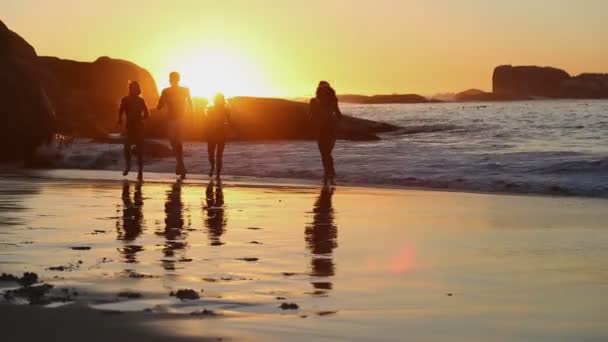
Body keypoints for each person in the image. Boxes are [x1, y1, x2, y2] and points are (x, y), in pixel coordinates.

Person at [157, 72, 193, 179]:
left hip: (180, 119)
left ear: (177, 79)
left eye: (174, 78)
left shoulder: (184, 90)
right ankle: (180, 164)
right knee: (174, 142)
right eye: (172, 78)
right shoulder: (166, 91)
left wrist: (192, 117)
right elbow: (160, 106)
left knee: (178, 142)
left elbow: (190, 103)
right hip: (171, 119)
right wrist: (163, 101)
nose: (173, 80)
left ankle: (180, 165)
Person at [309, 81, 342, 185]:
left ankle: (330, 173)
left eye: (326, 89)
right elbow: (312, 115)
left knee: (326, 152)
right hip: (321, 129)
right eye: (322, 89)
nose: (324, 91)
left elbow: (338, 113)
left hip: (330, 128)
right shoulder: (313, 101)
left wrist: (337, 123)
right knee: (324, 153)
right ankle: (329, 173)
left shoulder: (333, 101)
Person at [118, 81, 149, 180]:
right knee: (126, 148)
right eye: (132, 88)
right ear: (130, 89)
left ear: (138, 90)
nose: (133, 90)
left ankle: (140, 172)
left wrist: (142, 118)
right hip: (129, 127)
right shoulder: (125, 99)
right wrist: (119, 119)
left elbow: (147, 113)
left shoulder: (141, 101)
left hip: (139, 128)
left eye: (136, 89)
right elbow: (121, 110)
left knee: (140, 151)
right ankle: (128, 166)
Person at [206, 93, 231, 178]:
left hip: (221, 133)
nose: (218, 101)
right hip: (211, 133)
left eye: (220, 99)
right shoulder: (210, 109)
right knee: (210, 153)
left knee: (219, 154)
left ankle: (218, 174)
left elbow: (229, 121)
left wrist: (231, 131)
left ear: (222, 100)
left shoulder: (225, 109)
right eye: (217, 99)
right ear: (214, 100)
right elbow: (207, 121)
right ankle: (212, 167)